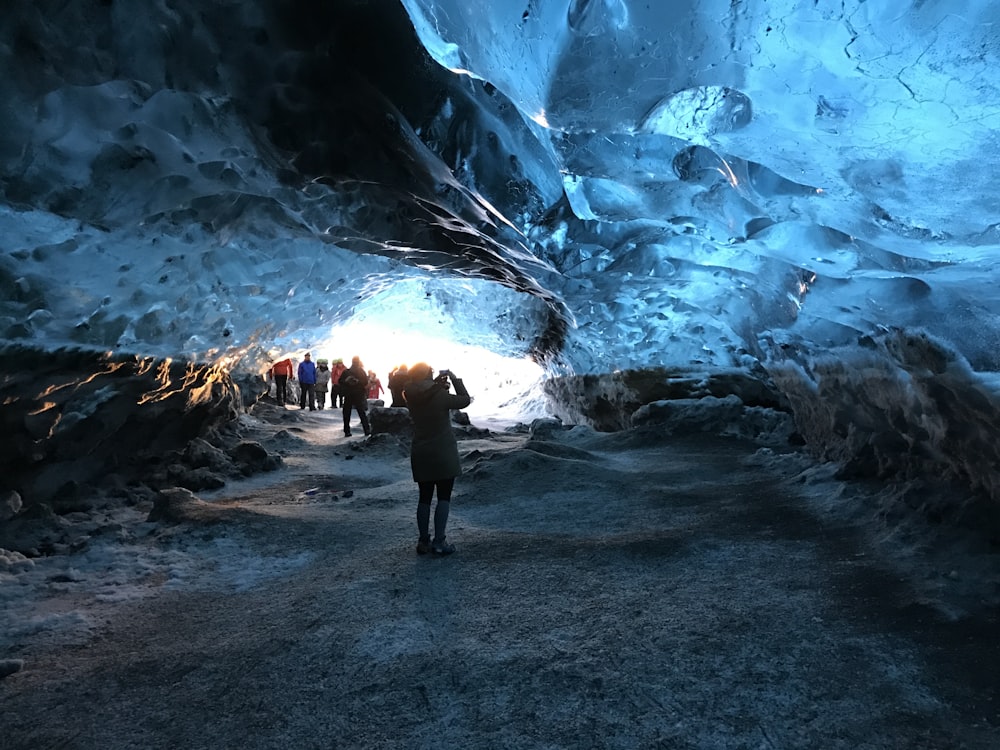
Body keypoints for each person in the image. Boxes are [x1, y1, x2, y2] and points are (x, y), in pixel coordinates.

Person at [403, 363, 471, 556]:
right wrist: (454, 378)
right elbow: (465, 400)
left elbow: (425, 392)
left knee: (424, 498)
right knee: (443, 497)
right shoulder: (440, 396)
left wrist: (434, 384)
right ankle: (439, 541)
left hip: (421, 451)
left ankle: (423, 541)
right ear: (428, 374)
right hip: (443, 451)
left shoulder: (408, 393)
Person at [339, 355, 370, 437]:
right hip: (358, 394)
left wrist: (347, 381)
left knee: (347, 413)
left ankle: (347, 431)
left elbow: (340, 381)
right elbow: (366, 382)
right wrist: (358, 382)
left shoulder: (346, 372)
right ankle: (366, 430)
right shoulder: (361, 371)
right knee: (361, 412)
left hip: (349, 394)